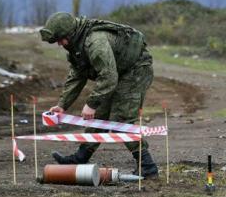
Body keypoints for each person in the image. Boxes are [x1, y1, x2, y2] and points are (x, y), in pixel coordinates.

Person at [39, 12, 159, 178]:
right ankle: (80, 158)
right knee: (99, 117)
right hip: (118, 72)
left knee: (121, 119)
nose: (60, 44)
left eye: (61, 39)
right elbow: (76, 76)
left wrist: (92, 103)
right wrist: (62, 105)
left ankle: (148, 166)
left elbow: (108, 76)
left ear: (71, 34)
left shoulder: (96, 42)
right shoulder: (76, 47)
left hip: (135, 71)